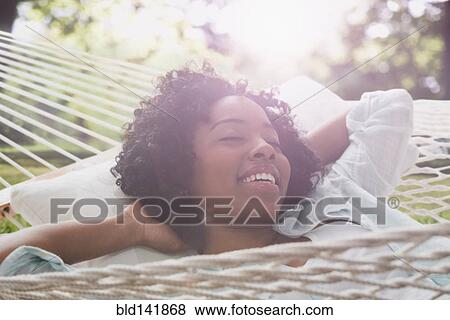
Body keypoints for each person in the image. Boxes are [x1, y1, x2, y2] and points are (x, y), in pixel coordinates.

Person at [1, 63, 448, 298]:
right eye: (231, 136)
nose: (264, 145)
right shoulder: (187, 294)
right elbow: (15, 272)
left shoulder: (337, 198)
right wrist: (129, 228)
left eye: (273, 138)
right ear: (176, 169)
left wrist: (285, 162)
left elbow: (384, 107)